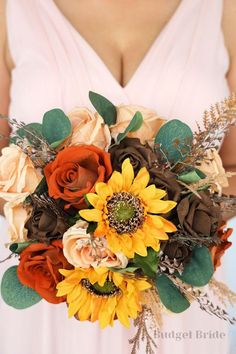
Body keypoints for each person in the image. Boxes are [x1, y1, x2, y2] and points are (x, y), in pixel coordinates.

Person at [0, 1, 235, 353]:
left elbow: (231, 167)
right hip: (53, 306)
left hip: (180, 310)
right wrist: (80, 240)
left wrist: (159, 235)